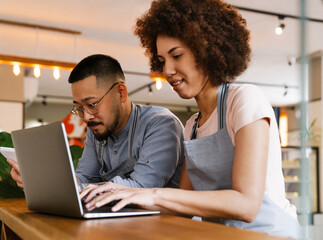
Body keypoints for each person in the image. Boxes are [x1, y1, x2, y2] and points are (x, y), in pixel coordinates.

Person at [79, 1, 301, 238]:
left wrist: (153, 193)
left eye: (177, 55)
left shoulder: (244, 100)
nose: (168, 71)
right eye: (162, 60)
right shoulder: (192, 126)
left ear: (206, 49)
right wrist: (121, 197)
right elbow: (181, 208)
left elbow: (246, 205)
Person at [7, 54, 184, 190]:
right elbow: (83, 178)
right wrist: (41, 181)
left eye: (91, 104)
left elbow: (141, 188)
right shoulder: (97, 129)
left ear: (121, 93)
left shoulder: (160, 124)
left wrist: (70, 187)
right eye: (79, 107)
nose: (86, 117)